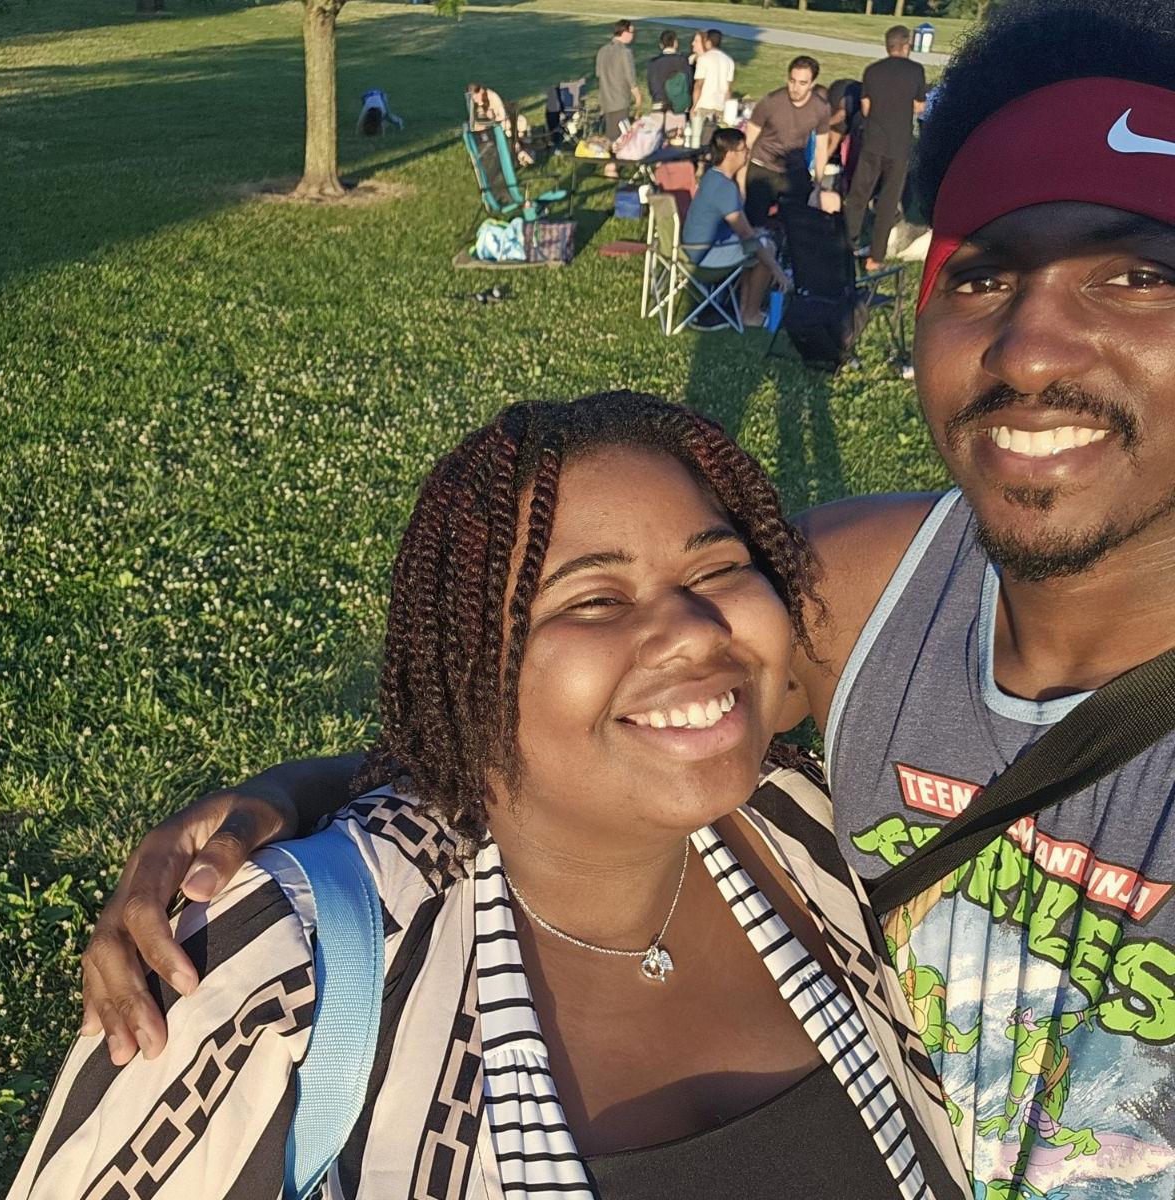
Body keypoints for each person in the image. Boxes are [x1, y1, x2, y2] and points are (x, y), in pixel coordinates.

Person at [75, 3, 1175, 1197]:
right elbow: (570, 711)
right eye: (985, 274)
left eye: (1138, 276)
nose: (1032, 349)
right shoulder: (869, 592)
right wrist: (287, 802)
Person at [9, 394, 971, 1200]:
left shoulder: (822, 827)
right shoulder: (281, 965)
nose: (692, 628)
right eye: (595, 600)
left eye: (718, 568)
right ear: (468, 671)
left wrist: (297, 782)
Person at [679, 128, 790, 330]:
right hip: (704, 258)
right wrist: (777, 270)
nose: (747, 153)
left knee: (759, 241)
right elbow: (746, 234)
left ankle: (743, 308)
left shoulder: (711, 177)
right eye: (743, 149)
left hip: (691, 250)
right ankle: (750, 314)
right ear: (730, 154)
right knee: (765, 246)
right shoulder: (724, 187)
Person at [843, 26, 926, 272]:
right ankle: (876, 257)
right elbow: (920, 107)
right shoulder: (916, 71)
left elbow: (866, 108)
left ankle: (847, 243)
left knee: (858, 196)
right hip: (899, 146)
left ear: (887, 45)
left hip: (872, 142)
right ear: (906, 45)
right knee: (888, 201)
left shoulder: (872, 71)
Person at [742, 56, 831, 226]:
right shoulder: (771, 102)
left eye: (802, 83)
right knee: (754, 223)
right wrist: (741, 183)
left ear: (812, 84)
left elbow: (821, 149)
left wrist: (818, 186)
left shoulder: (821, 108)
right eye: (792, 81)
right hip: (762, 165)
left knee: (796, 223)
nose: (795, 88)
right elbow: (747, 144)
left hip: (793, 169)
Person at [595, 18, 642, 144]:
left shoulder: (602, 51)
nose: (633, 35)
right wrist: (638, 97)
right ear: (625, 33)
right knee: (619, 140)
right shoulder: (625, 52)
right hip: (620, 101)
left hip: (605, 100)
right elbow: (630, 78)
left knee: (610, 134)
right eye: (632, 32)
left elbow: (599, 74)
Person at [690, 28, 734, 148]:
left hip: (704, 105)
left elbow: (699, 84)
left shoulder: (704, 59)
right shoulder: (729, 61)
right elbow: (728, 90)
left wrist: (694, 106)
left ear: (708, 42)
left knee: (699, 143)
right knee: (716, 144)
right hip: (720, 108)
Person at [646, 29, 692, 115]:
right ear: (675, 43)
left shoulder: (653, 63)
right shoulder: (682, 61)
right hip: (679, 105)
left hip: (658, 103)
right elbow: (689, 83)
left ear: (661, 45)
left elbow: (651, 85)